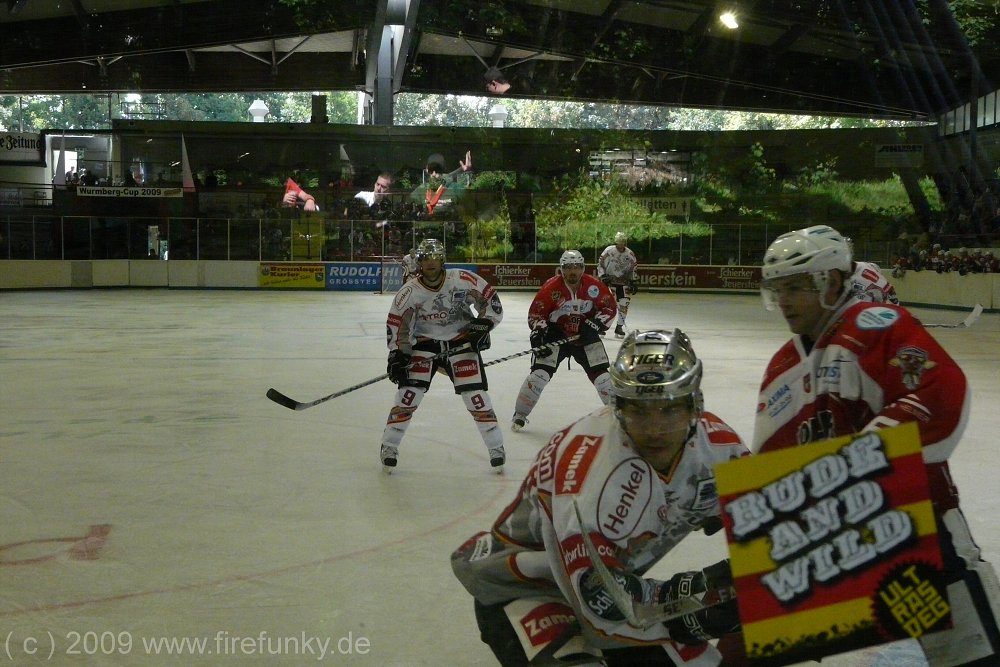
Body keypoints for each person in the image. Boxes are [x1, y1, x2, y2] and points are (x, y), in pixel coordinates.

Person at [747, 224, 1000, 666]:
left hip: (922, 531)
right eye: (778, 289)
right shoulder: (782, 369)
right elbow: (774, 475)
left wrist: (850, 465)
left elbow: (940, 397)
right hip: (847, 549)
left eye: (796, 287)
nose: (784, 300)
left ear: (833, 282)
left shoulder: (877, 327)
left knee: (972, 656)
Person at [452, 329, 749, 666]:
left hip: (611, 584)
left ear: (694, 405)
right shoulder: (593, 477)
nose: (654, 429)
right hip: (525, 586)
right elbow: (604, 607)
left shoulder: (722, 448)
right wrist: (692, 601)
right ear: (618, 407)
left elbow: (776, 533)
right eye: (639, 409)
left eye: (669, 409)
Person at [381, 238, 505, 473]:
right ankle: (389, 445)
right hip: (425, 344)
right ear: (419, 261)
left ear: (442, 259)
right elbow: (397, 324)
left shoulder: (461, 279)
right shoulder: (409, 291)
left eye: (435, 258)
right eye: (425, 259)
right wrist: (397, 354)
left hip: (460, 342)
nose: (430, 263)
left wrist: (482, 325)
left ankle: (496, 447)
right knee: (408, 394)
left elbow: (490, 300)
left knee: (476, 395)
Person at [510, 250, 617, 432]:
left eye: (577, 267)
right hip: (556, 334)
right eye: (568, 267)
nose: (572, 272)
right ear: (561, 269)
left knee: (603, 379)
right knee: (538, 376)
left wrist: (594, 324)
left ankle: (619, 416)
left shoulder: (594, 286)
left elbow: (609, 307)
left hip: (585, 335)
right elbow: (536, 314)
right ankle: (520, 414)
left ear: (583, 268)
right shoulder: (551, 288)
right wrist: (539, 333)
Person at [597, 231, 639, 337]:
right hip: (609, 282)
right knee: (606, 305)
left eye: (623, 241)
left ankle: (619, 327)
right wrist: (602, 276)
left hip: (623, 283)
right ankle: (600, 326)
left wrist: (633, 281)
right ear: (616, 241)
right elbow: (601, 264)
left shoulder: (630, 254)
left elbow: (633, 268)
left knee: (624, 304)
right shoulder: (609, 251)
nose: (621, 244)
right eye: (619, 241)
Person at [410, 151, 473, 215]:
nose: (433, 174)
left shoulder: (455, 189)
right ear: (426, 170)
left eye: (437, 171)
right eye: (431, 171)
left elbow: (468, 210)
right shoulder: (421, 189)